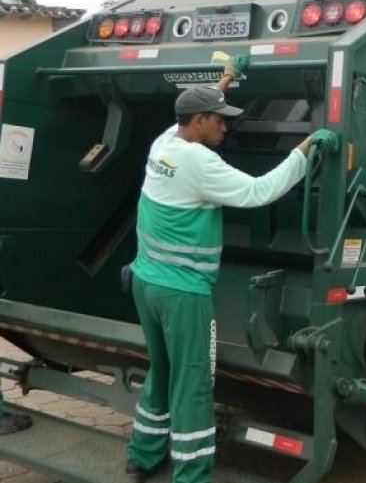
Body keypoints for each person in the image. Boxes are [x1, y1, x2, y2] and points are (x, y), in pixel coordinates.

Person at [125, 55, 337, 483]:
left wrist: (227, 80)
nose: (227, 127)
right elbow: (260, 191)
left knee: (161, 371)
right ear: (199, 121)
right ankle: (192, 474)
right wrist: (306, 148)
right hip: (183, 293)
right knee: (193, 382)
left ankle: (142, 456)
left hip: (147, 283)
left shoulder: (165, 142)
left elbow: (199, 105)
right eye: (219, 120)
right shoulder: (200, 163)